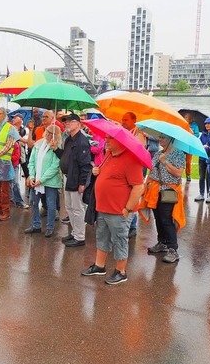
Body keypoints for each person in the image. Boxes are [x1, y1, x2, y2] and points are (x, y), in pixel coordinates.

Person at [81, 134, 145, 285]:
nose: (106, 141)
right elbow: (107, 173)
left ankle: (121, 272)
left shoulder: (131, 160)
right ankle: (99, 266)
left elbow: (138, 187)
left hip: (119, 210)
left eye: (110, 138)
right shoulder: (108, 154)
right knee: (102, 236)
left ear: (120, 141)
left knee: (119, 240)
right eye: (106, 138)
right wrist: (97, 171)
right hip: (103, 207)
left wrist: (128, 209)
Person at [140, 134, 186, 263]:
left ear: (171, 139)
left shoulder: (178, 154)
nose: (160, 140)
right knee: (158, 218)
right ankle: (162, 242)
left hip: (168, 191)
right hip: (155, 191)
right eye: (159, 138)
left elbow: (178, 173)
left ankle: (173, 249)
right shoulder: (158, 153)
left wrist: (165, 161)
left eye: (163, 138)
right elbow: (152, 170)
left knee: (166, 219)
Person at [53, 113, 92, 247]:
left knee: (77, 209)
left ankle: (80, 237)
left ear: (78, 124)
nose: (66, 123)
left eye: (70, 121)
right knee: (69, 207)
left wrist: (82, 183)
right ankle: (74, 232)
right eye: (65, 122)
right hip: (68, 177)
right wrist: (56, 149)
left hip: (75, 179)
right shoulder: (69, 139)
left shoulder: (82, 141)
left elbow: (85, 165)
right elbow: (64, 156)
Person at [24, 125, 62, 237]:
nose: (49, 135)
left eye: (52, 133)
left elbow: (55, 166)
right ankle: (36, 225)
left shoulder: (57, 146)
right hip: (36, 179)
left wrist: (42, 179)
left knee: (51, 204)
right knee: (33, 201)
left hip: (50, 181)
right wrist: (31, 176)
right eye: (48, 132)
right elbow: (31, 162)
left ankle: (50, 227)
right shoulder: (38, 144)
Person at [120, 111, 147, 237]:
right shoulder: (125, 132)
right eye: (122, 120)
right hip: (126, 168)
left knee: (134, 195)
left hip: (135, 169)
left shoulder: (139, 134)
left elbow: (140, 151)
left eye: (126, 120)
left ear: (133, 121)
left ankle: (133, 226)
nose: (123, 122)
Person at [182, 113, 200, 182]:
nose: (185, 118)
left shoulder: (194, 125)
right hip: (183, 145)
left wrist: (190, 136)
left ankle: (188, 174)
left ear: (190, 118)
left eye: (186, 117)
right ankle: (179, 174)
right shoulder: (182, 124)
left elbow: (197, 134)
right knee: (180, 159)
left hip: (190, 145)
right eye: (184, 117)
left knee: (188, 161)